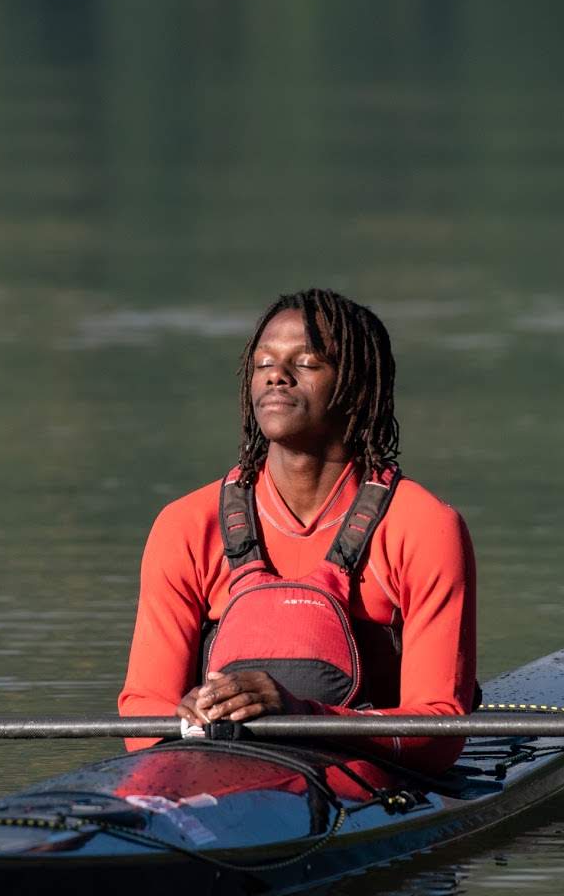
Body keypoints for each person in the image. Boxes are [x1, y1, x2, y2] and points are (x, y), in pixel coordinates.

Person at [117, 288, 478, 775]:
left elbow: (439, 736)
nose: (276, 374)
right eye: (264, 361)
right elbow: (143, 716)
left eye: (305, 363)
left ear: (357, 386)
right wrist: (188, 718)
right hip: (209, 771)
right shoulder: (185, 524)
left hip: (368, 781)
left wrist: (298, 713)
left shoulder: (424, 526)